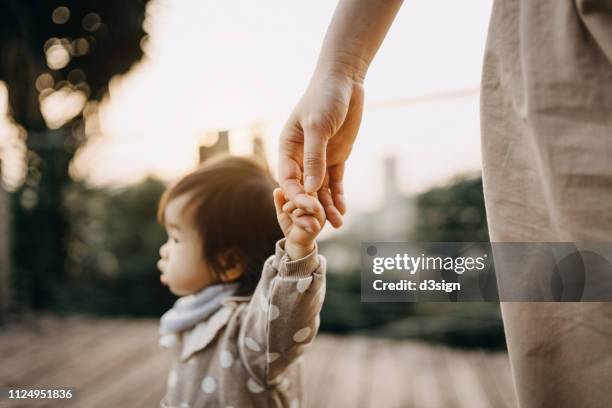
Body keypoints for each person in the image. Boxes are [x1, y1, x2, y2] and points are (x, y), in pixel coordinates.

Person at [278, 0, 612, 407]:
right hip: (555, 41)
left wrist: (343, 66)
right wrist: (343, 65)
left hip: (563, 44)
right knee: (574, 337)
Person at [156, 154, 327, 408]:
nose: (164, 250)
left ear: (229, 263)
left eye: (177, 239)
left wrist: (298, 253)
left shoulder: (249, 330)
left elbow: (286, 320)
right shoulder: (196, 314)